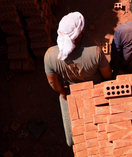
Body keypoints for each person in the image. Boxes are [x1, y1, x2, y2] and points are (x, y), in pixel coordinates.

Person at [44, 12, 112, 146]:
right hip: (95, 87)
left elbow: (53, 82)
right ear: (79, 34)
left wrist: (63, 92)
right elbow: (107, 75)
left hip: (72, 89)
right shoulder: (95, 51)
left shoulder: (50, 55)